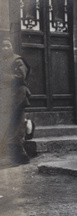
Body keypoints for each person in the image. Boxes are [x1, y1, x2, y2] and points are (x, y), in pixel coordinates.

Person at [0, 38, 31, 167]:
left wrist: (4, 77)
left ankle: (19, 157)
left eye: (8, 45)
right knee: (8, 125)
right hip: (7, 97)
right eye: (3, 46)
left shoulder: (17, 60)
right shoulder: (2, 61)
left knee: (16, 126)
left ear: (12, 47)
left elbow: (20, 77)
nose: (5, 48)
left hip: (17, 97)